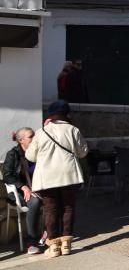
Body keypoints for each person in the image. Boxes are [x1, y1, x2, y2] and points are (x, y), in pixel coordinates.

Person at [26, 100, 89, 258]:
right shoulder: (73, 130)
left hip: (47, 177)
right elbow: (83, 153)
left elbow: (30, 156)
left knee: (50, 209)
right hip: (69, 175)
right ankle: (66, 244)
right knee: (68, 207)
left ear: (50, 116)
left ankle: (53, 246)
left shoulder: (41, 132)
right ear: (67, 114)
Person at [3, 127, 44, 254]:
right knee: (35, 202)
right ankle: (32, 241)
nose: (34, 138)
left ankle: (50, 235)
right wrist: (24, 187)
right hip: (21, 191)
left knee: (56, 198)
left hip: (39, 188)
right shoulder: (13, 154)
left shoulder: (39, 152)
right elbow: (7, 175)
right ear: (21, 140)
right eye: (31, 136)